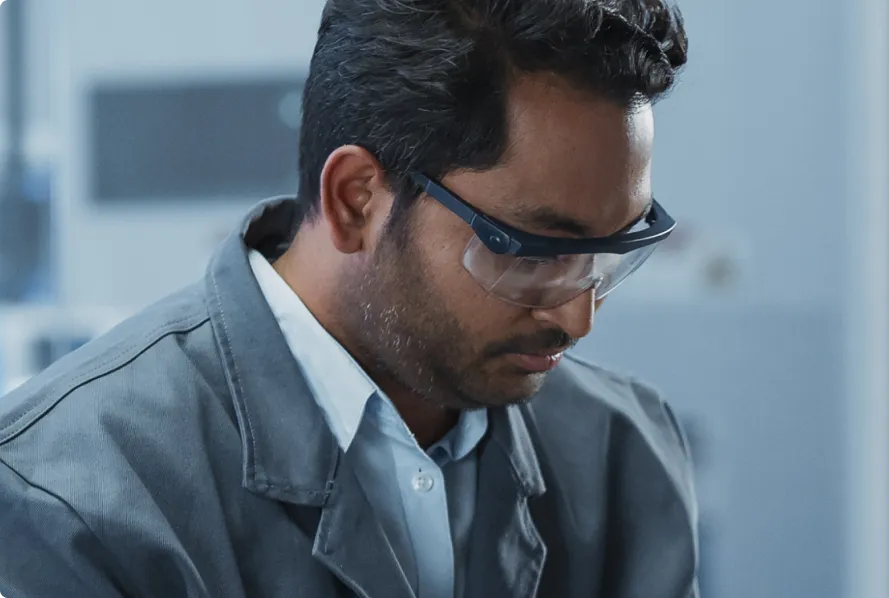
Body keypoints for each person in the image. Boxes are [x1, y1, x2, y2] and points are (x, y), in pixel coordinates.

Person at [0, 0, 697, 596]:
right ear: (355, 200)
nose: (577, 317)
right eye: (535, 253)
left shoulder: (622, 451)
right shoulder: (66, 498)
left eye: (612, 254)